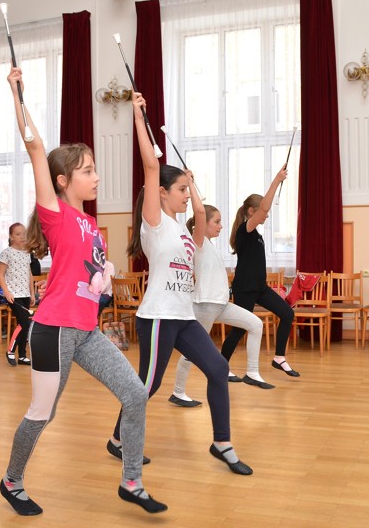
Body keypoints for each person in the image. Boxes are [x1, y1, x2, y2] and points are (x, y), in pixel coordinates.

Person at [0, 67, 166, 517]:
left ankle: (132, 481)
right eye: (87, 171)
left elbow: (89, 274)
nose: (96, 177)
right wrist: (18, 93)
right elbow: (35, 147)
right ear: (62, 181)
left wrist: (104, 278)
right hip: (53, 330)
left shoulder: (90, 223)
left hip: (87, 331)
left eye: (94, 169)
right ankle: (12, 480)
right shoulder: (54, 213)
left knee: (135, 394)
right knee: (42, 413)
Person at [110, 92, 253, 477]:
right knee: (147, 387)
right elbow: (150, 165)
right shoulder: (155, 222)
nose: (187, 197)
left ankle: (222, 443)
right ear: (162, 193)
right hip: (157, 317)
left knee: (218, 369)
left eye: (188, 192)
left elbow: (202, 211)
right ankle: (119, 440)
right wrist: (138, 117)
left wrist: (192, 182)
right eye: (181, 191)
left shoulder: (183, 230)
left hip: (183, 316)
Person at [170, 205, 274, 407]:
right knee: (192, 351)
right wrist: (193, 190)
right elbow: (199, 214)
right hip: (205, 305)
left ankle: (252, 372)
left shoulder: (210, 245)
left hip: (221, 304)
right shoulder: (198, 242)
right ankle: (178, 392)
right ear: (203, 224)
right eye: (216, 222)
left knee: (255, 324)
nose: (221, 226)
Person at [220, 169, 298, 377]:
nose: (267, 214)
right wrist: (277, 180)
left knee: (287, 313)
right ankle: (221, 367)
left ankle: (279, 357)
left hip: (259, 288)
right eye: (262, 211)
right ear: (251, 211)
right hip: (245, 289)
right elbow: (264, 209)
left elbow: (263, 209)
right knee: (239, 329)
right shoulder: (245, 230)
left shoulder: (255, 234)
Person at [0, 223, 34, 366]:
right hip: (13, 295)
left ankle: (22, 356)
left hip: (25, 294)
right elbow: (1, 275)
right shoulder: (7, 253)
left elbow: (29, 274)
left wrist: (32, 293)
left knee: (24, 324)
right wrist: (7, 293)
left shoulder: (27, 253)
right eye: (18, 234)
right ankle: (10, 351)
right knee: (23, 323)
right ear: (11, 237)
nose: (22, 237)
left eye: (24, 234)